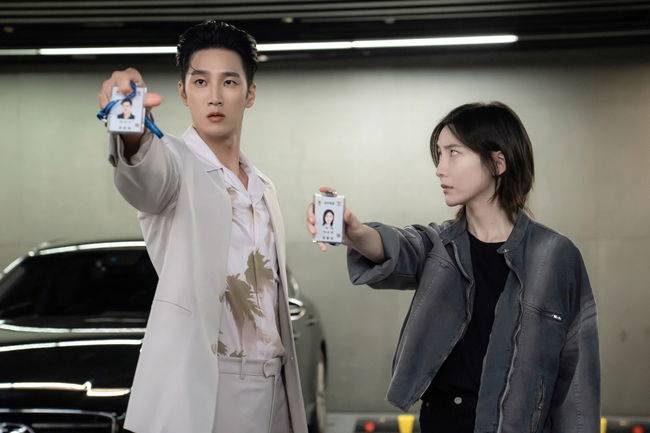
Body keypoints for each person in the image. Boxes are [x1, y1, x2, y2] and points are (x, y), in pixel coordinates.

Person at [306, 102, 600, 433]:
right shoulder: (439, 245)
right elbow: (400, 247)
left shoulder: (555, 256)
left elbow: (578, 382)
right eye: (439, 154)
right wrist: (357, 234)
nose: (439, 168)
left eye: (453, 153)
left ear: (497, 162)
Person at [98, 20, 308, 433]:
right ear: (183, 92)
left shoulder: (264, 187)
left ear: (249, 94)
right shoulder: (175, 165)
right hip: (206, 388)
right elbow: (145, 175)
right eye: (200, 82)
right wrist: (132, 130)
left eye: (229, 82)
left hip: (275, 388)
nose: (214, 96)